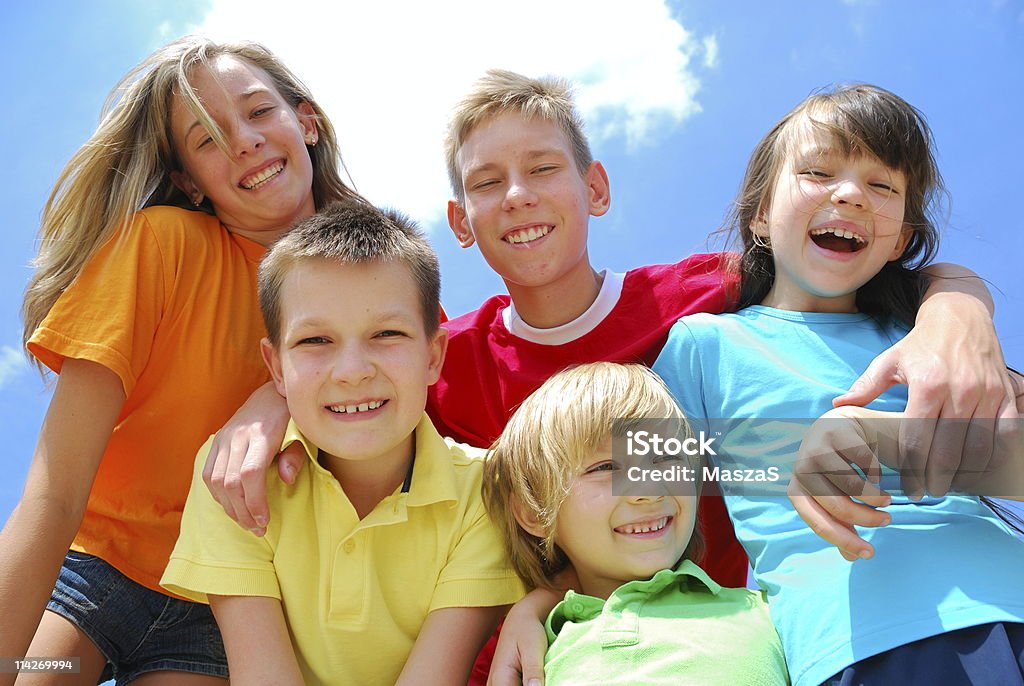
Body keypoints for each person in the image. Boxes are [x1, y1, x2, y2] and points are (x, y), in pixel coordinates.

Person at [202, 69, 1017, 685]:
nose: (518, 197)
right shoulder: (451, 357)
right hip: (611, 649)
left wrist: (959, 308)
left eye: (543, 169)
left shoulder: (706, 296)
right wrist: (267, 404)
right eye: (487, 183)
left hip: (745, 638)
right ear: (460, 221)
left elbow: (861, 272)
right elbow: (353, 367)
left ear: (595, 187)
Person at [1, 36, 365, 685]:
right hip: (93, 573)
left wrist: (276, 398)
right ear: (187, 183)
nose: (244, 142)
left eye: (257, 112)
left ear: (305, 121)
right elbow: (53, 494)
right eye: (207, 138)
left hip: (221, 601)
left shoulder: (381, 289)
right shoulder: (158, 247)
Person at [652, 84, 1024, 686]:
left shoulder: (923, 334)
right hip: (858, 641)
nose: (850, 193)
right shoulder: (704, 343)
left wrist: (879, 441)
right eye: (819, 171)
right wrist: (545, 603)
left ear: (901, 239)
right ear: (760, 218)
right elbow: (636, 473)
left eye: (882, 186)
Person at [161, 201, 523, 685]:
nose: (352, 371)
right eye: (315, 341)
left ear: (434, 356)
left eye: (387, 333)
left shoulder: (486, 493)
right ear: (275, 368)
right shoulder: (233, 477)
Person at [482, 362, 789, 685]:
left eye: (667, 458)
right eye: (605, 467)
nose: (649, 489)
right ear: (534, 512)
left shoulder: (773, 613)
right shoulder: (530, 656)